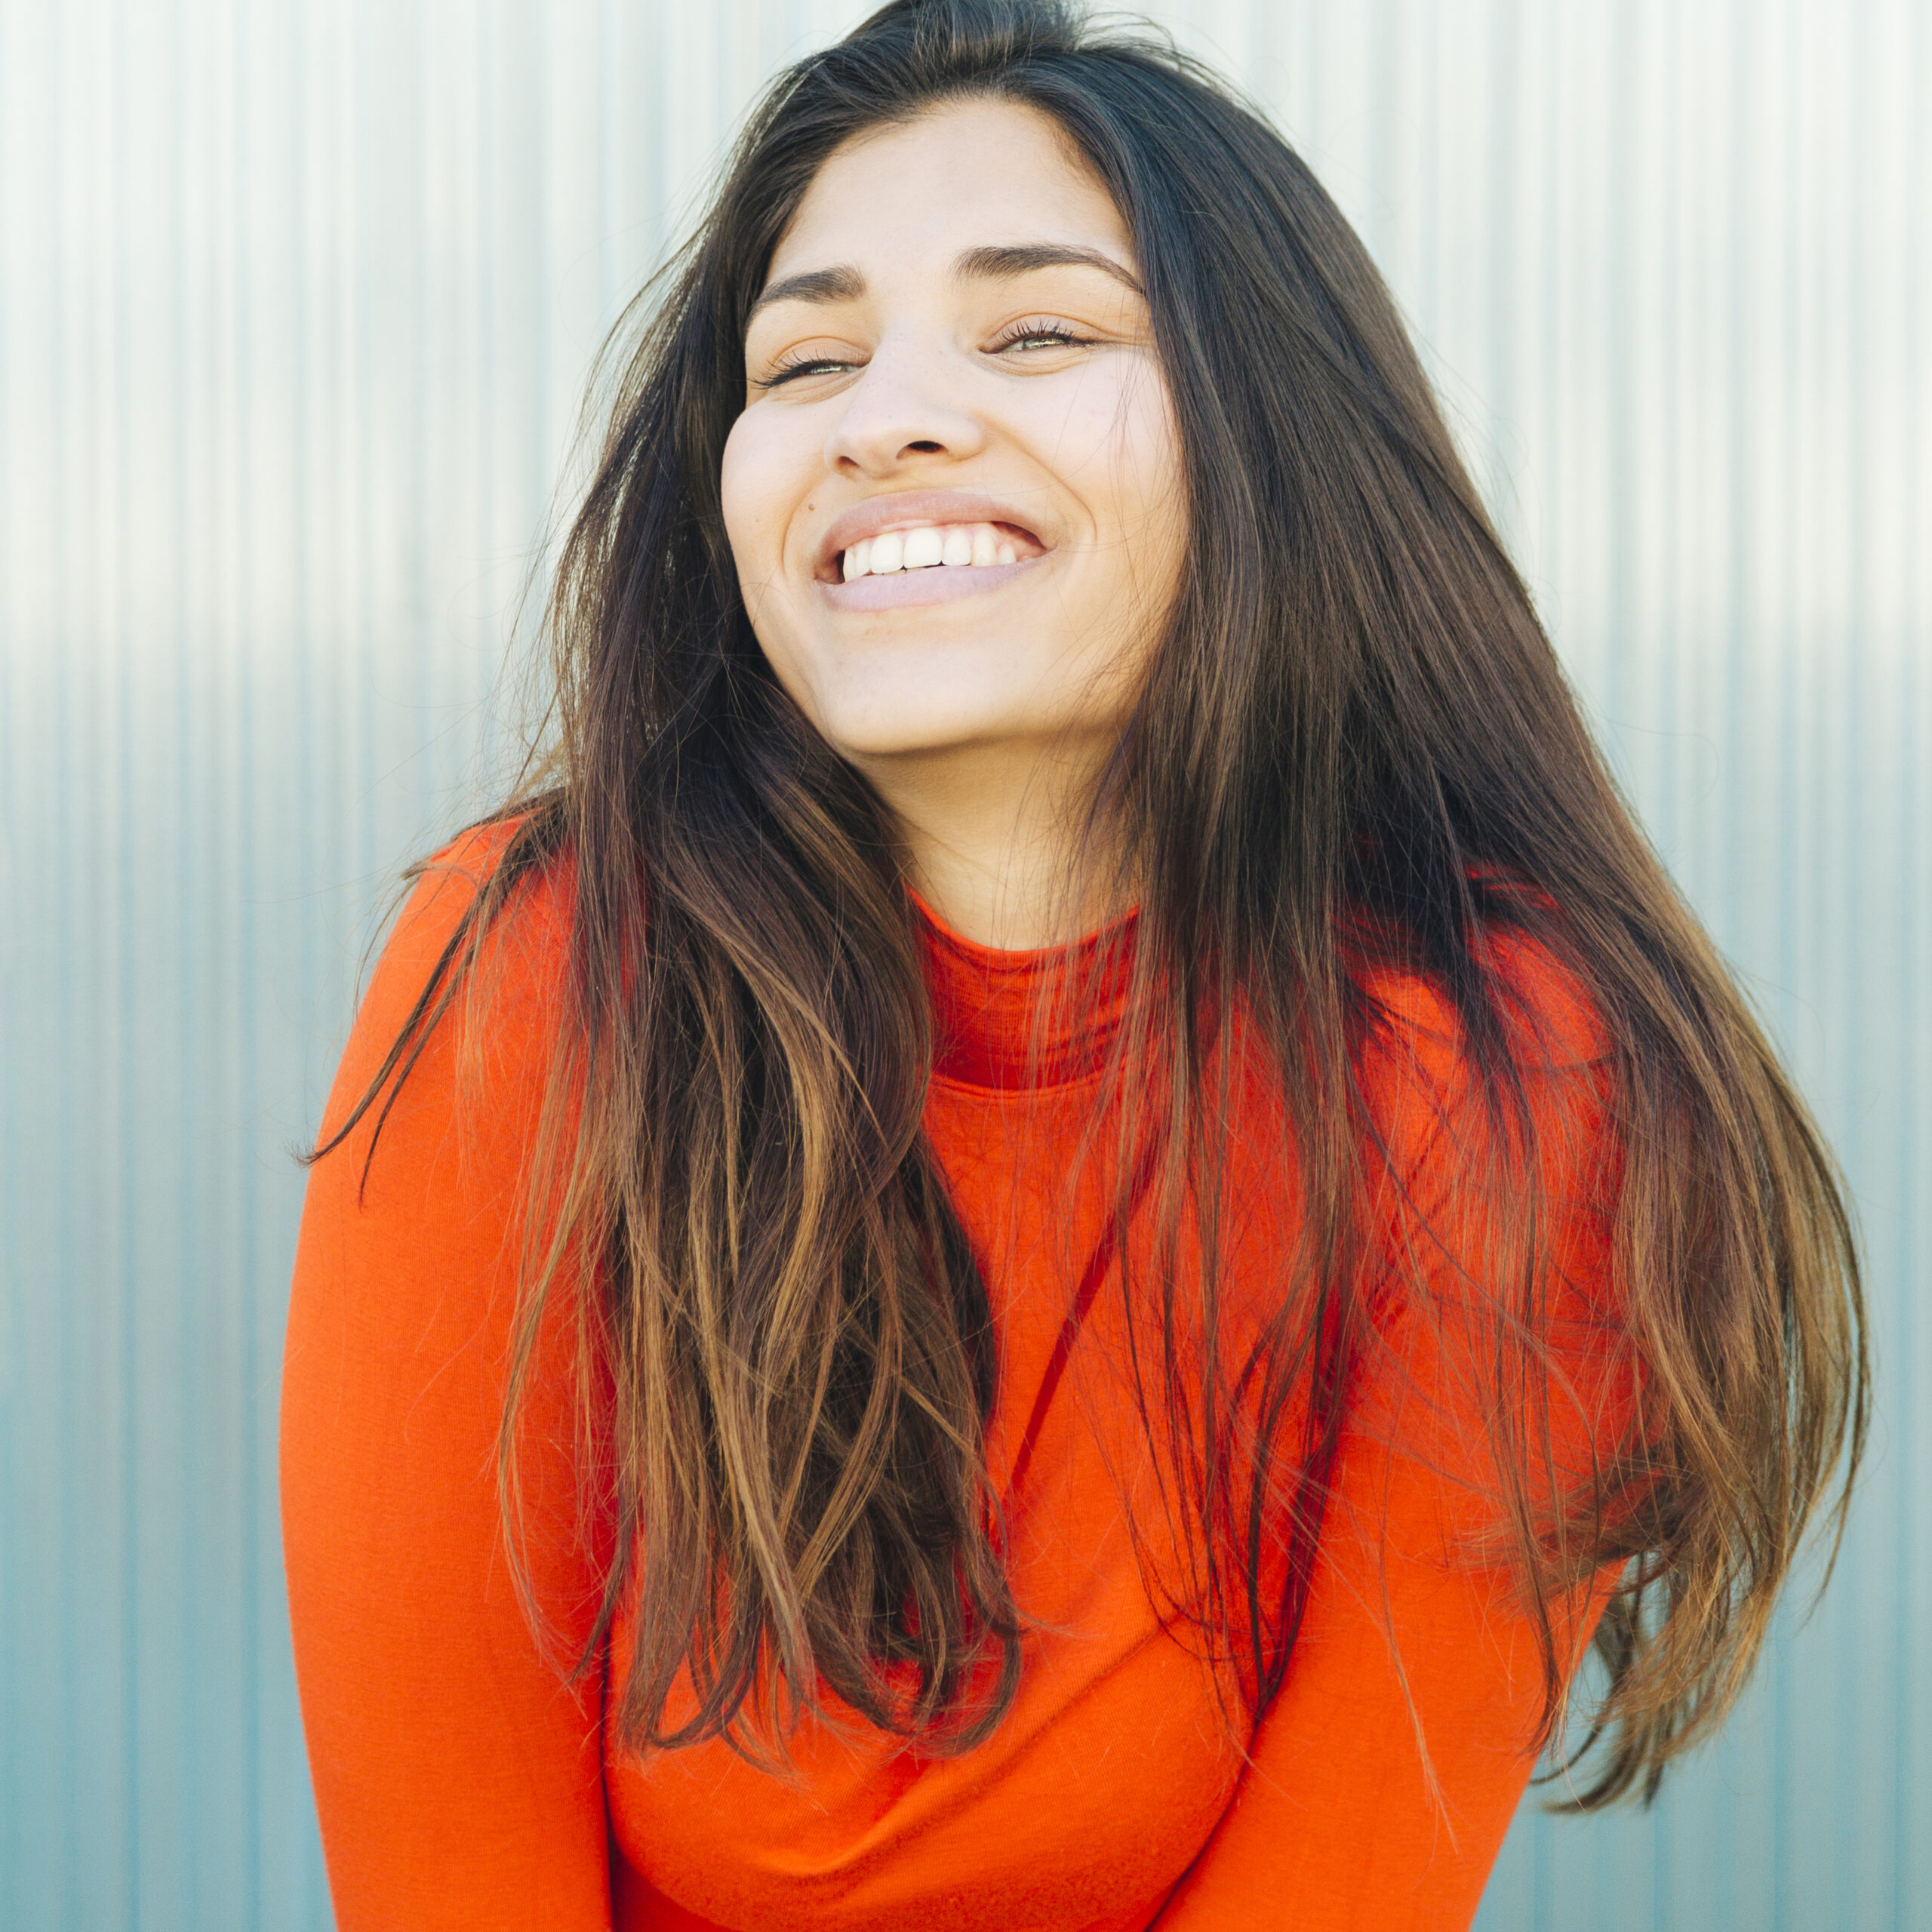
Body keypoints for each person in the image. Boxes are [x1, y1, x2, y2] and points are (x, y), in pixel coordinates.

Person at [278, 2, 1867, 1926]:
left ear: (1264, 433)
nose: (885, 416)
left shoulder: (1504, 1078)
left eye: (1036, 331)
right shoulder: (531, 974)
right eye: (807, 359)